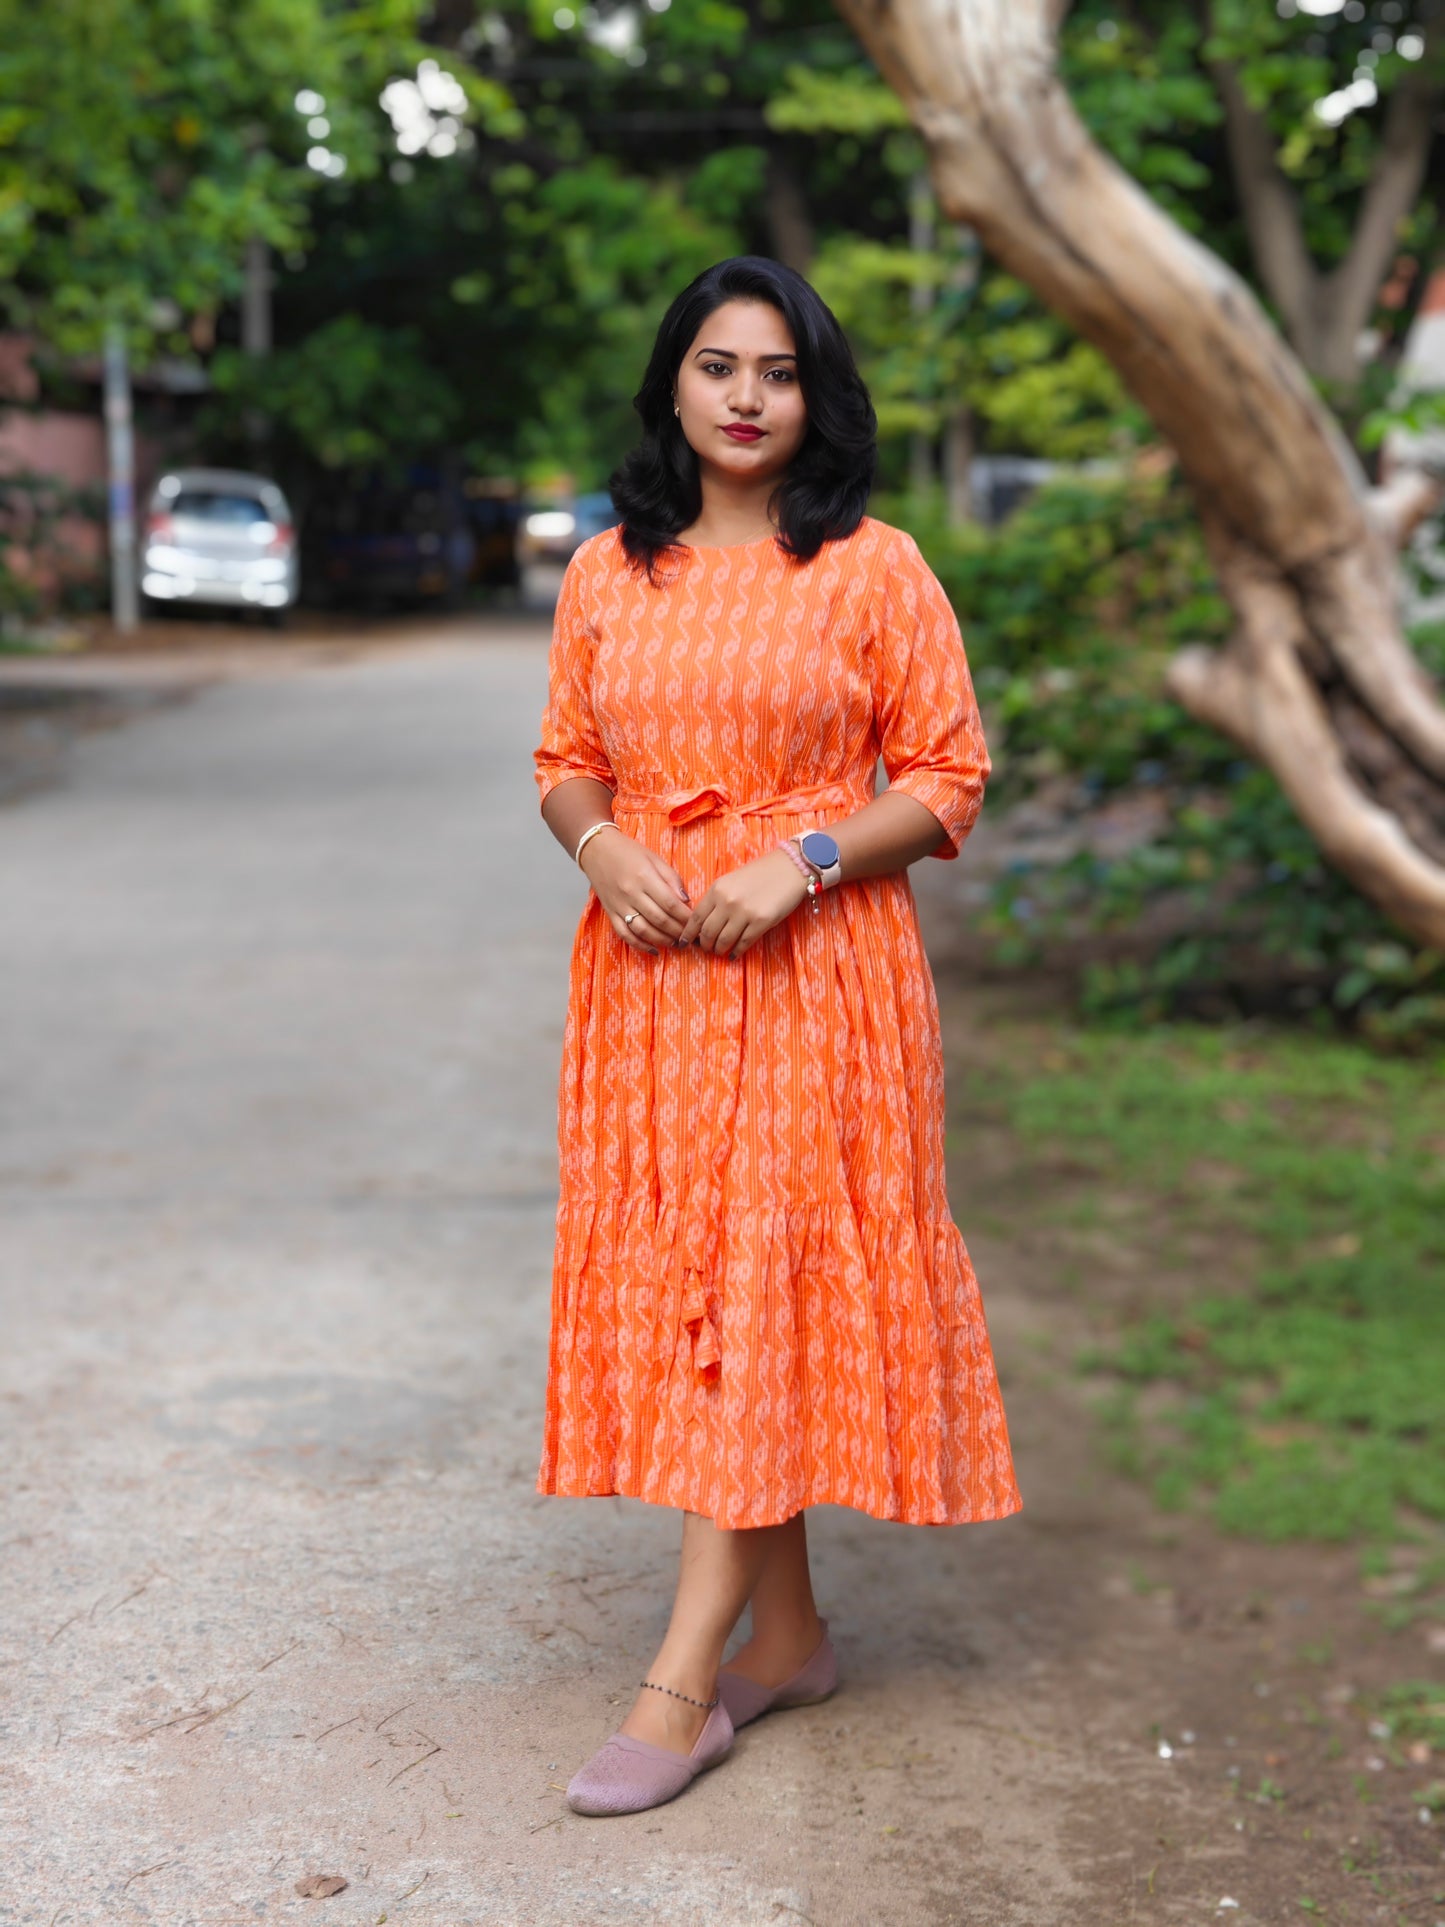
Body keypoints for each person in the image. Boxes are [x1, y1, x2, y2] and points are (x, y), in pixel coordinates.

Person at [532, 256, 1021, 1819]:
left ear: (816, 397)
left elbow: (945, 774)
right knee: (710, 1288)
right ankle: (792, 1633)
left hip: (821, 980)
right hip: (650, 984)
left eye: (779, 371)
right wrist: (602, 852)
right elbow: (563, 757)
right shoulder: (612, 568)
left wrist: (798, 860)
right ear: (671, 385)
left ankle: (682, 1684)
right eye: (717, 365)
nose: (746, 396)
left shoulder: (875, 569)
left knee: (760, 1280)